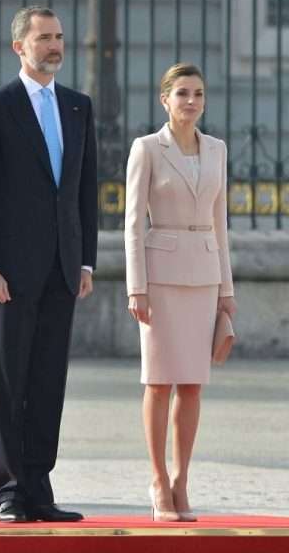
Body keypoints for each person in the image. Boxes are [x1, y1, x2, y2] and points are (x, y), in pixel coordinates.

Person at [0, 5, 97, 523]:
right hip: (10, 273)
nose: (54, 45)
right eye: (44, 38)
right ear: (19, 46)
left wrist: (85, 262)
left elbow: (84, 192)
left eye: (58, 36)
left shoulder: (79, 106)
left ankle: (39, 487)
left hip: (63, 269)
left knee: (47, 382)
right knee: (9, 380)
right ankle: (9, 490)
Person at [125, 63, 236, 522]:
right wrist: (136, 287)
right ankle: (157, 480)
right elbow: (133, 223)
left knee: (192, 384)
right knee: (158, 381)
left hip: (204, 276)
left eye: (198, 94)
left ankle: (181, 481)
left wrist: (226, 289)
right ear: (165, 100)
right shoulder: (147, 148)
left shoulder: (217, 150)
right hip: (160, 279)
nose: (191, 101)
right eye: (183, 93)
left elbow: (220, 222)